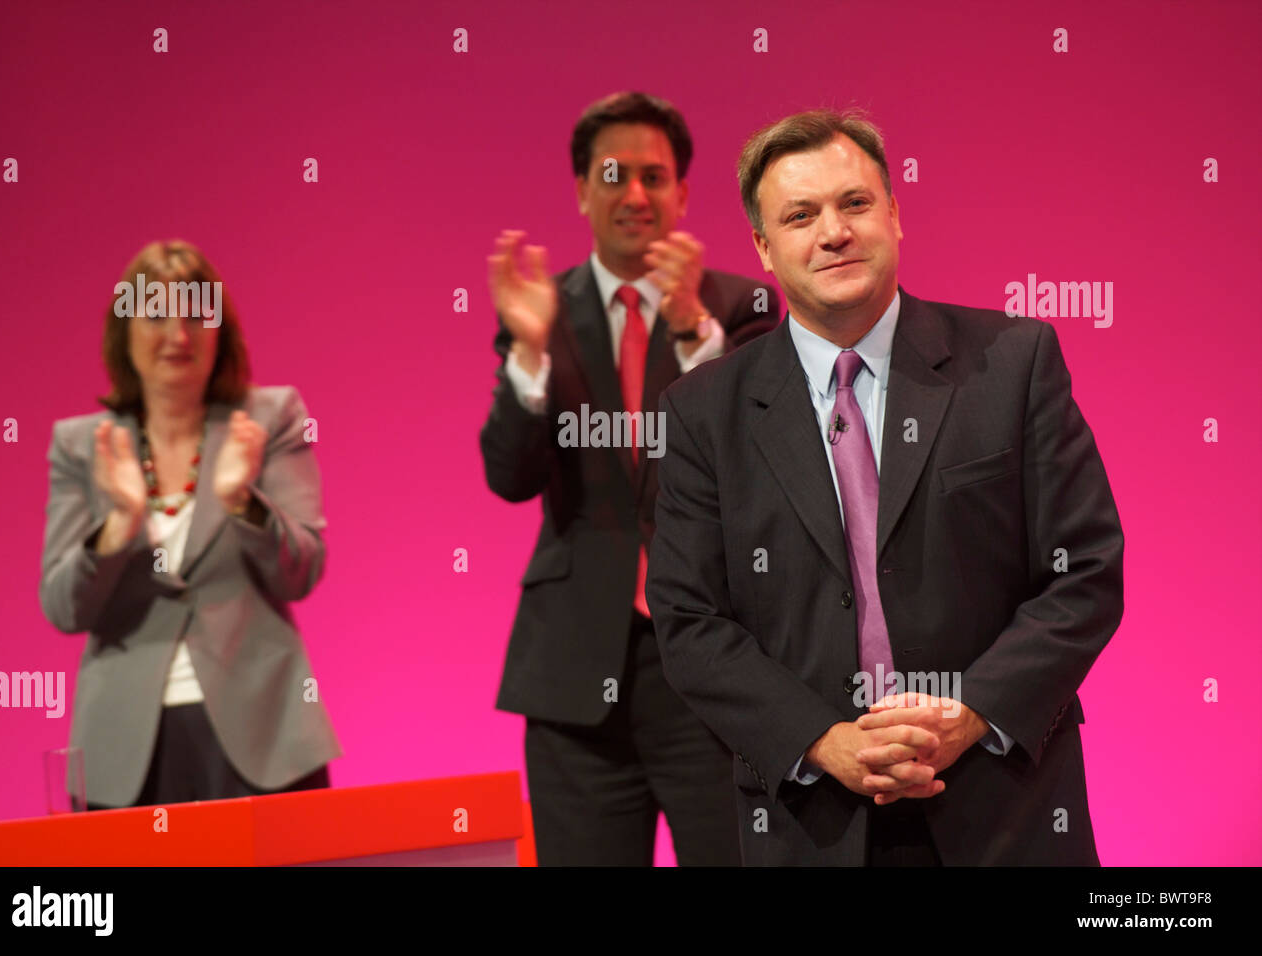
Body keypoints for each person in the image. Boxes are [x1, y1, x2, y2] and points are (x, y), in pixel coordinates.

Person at [647, 108, 1124, 865]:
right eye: (800, 216)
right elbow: (689, 620)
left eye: (856, 203)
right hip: (813, 819)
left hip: (1004, 808)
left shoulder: (1013, 361)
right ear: (764, 247)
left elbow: (1086, 571)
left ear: (896, 216)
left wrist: (968, 713)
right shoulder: (701, 413)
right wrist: (822, 741)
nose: (832, 232)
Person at [480, 91, 779, 865]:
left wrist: (690, 331)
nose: (635, 194)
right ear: (581, 190)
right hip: (576, 679)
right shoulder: (540, 311)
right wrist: (528, 353)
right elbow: (509, 477)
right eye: (614, 175)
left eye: (655, 176)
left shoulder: (740, 308)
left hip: (714, 668)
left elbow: (758, 464)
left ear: (683, 192)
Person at [39, 239, 342, 810]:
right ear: (124, 331)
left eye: (196, 313)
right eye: (157, 314)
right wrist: (119, 525)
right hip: (125, 750)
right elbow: (63, 607)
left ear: (219, 331)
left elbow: (300, 571)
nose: (178, 334)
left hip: (263, 738)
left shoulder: (269, 419)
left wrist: (241, 502)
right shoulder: (82, 446)